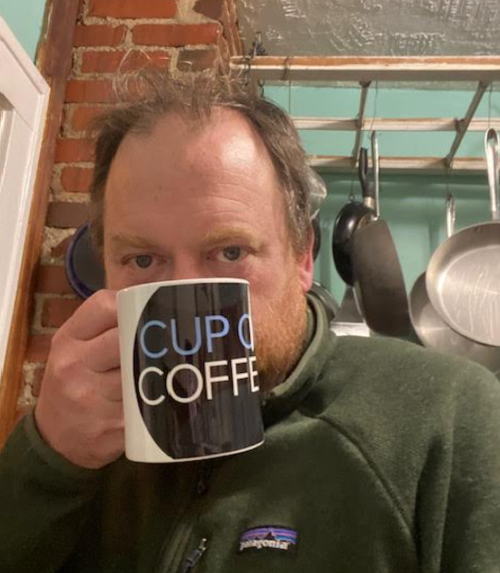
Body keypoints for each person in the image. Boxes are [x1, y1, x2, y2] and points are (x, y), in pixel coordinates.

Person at [0, 70, 500, 573]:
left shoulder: (447, 416)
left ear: (303, 256)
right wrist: (48, 457)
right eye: (143, 261)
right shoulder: (83, 443)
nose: (184, 301)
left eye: (230, 250)